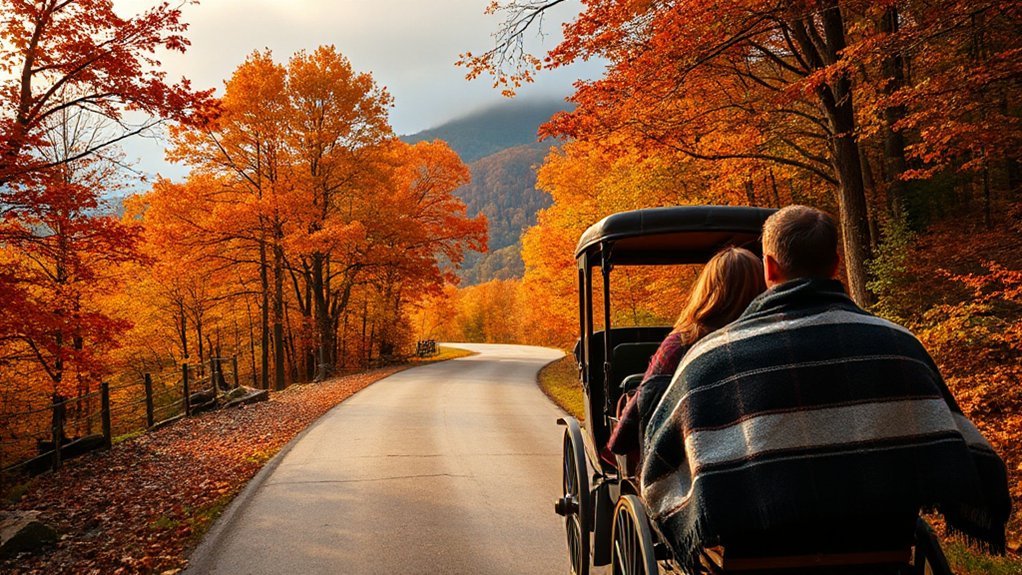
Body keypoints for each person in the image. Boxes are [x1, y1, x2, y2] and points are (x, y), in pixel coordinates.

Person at [640, 205, 1011, 573]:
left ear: (769, 267)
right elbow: (960, 442)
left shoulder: (711, 357)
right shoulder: (901, 345)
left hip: (760, 557)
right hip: (882, 555)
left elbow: (660, 466)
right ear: (835, 264)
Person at [606, 246, 765, 458]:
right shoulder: (766, 341)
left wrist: (617, 438)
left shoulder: (679, 345)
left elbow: (641, 409)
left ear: (708, 290)